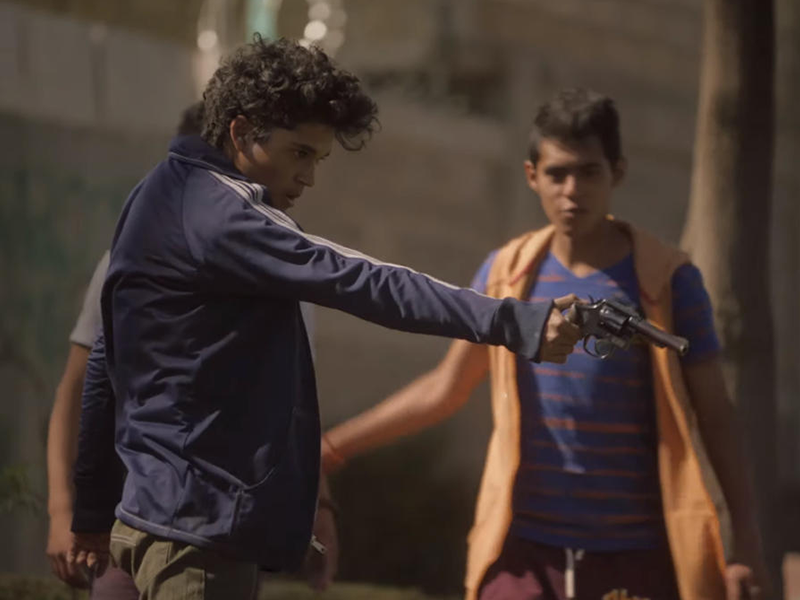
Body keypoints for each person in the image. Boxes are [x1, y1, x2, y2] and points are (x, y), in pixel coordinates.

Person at [67, 36, 580, 600]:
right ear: (241, 132)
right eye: (299, 153)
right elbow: (364, 279)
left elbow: (106, 364)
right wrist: (516, 322)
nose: (308, 177)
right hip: (196, 543)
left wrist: (90, 511)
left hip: (136, 525)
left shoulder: (153, 195)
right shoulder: (227, 218)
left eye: (318, 158)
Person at [321, 88, 768, 600]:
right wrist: (330, 448)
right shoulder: (507, 273)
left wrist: (746, 544)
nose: (572, 190)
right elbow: (445, 388)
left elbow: (715, 414)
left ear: (617, 173)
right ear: (532, 176)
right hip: (522, 556)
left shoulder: (668, 279)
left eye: (589, 172)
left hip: (636, 558)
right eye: (558, 174)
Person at [45, 102, 204, 598]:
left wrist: (318, 505)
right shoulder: (131, 259)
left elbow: (294, 406)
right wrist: (63, 509)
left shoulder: (280, 268)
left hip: (217, 532)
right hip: (127, 523)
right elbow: (78, 388)